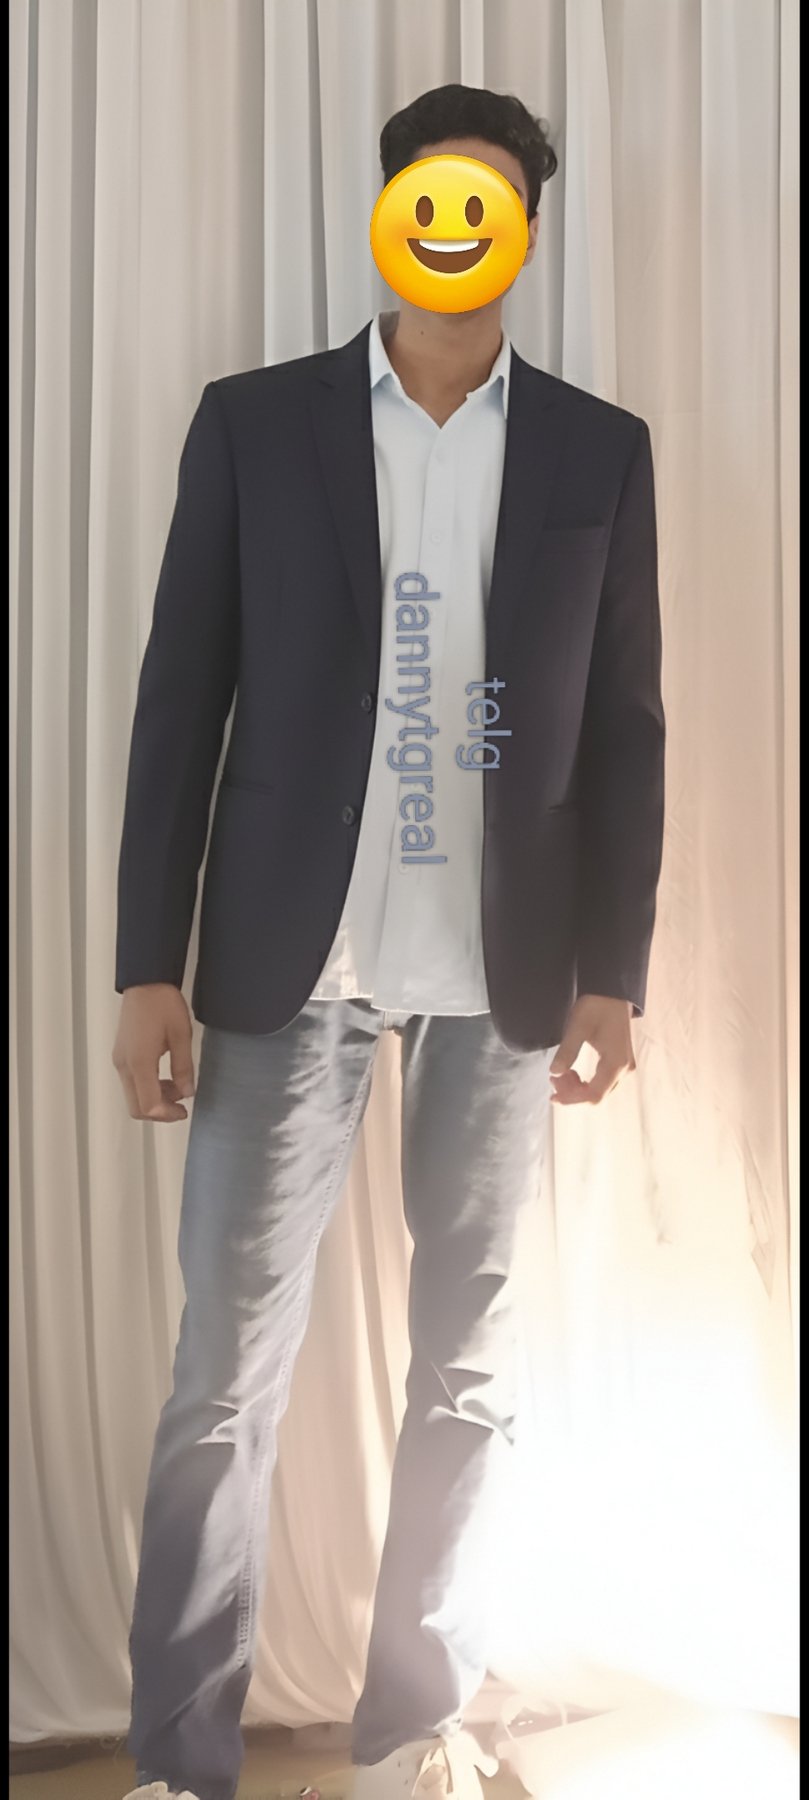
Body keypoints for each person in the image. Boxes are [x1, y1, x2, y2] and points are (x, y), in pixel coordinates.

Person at [113, 82, 665, 1800]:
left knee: (470, 1374)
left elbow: (626, 726)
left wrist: (613, 969)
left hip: (503, 975)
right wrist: (146, 961)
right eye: (428, 197)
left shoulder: (595, 449)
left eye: (484, 204)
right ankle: (177, 1760)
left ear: (521, 233)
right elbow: (180, 698)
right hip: (287, 964)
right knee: (222, 1379)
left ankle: (414, 1732)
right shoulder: (252, 426)